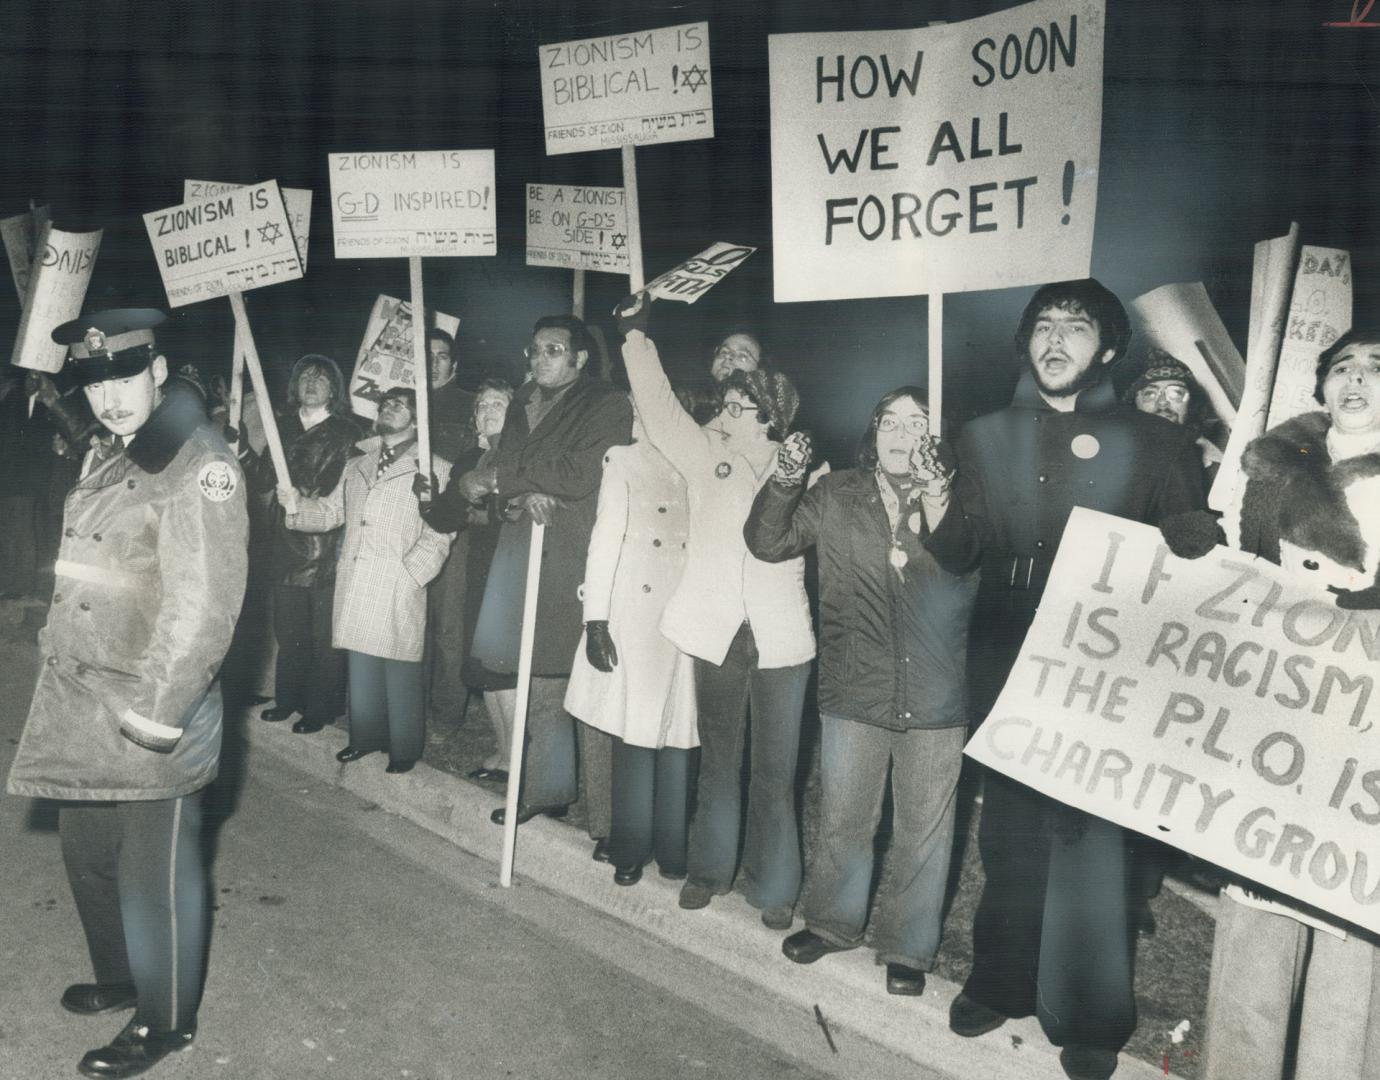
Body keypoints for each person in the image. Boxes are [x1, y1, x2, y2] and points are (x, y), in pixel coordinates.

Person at [923, 279, 1205, 1080]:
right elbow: (958, 552)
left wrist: (1201, 538)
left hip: (1105, 650)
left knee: (1090, 837)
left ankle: (1087, 1013)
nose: (1055, 339)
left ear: (1109, 349)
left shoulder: (1157, 444)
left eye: (1075, 327)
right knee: (1009, 830)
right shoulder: (980, 435)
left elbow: (1189, 549)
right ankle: (1001, 979)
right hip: (1008, 642)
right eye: (1042, 325)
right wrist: (936, 504)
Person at [6, 308, 248, 1079]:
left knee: (154, 876)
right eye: (94, 381)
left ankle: (165, 1019)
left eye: (121, 377)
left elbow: (204, 604)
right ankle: (120, 976)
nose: (108, 396)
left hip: (153, 703)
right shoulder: (116, 453)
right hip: (87, 694)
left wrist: (156, 715)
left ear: (156, 369)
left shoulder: (198, 463)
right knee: (88, 855)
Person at [745, 387, 979, 995]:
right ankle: (831, 922)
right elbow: (769, 542)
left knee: (924, 826)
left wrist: (938, 493)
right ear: (872, 432)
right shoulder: (837, 492)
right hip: (855, 683)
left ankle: (906, 946)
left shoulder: (961, 498)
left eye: (918, 422)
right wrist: (786, 479)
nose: (902, 434)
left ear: (937, 435)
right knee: (846, 815)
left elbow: (968, 557)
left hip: (934, 690)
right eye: (890, 422)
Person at [1200, 328, 1380, 1079]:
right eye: (1343, 367)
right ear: (1321, 383)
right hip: (1280, 705)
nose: (1357, 381)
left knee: (1348, 909)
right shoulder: (1271, 466)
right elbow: (1238, 564)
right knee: (1260, 892)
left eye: (1377, 369)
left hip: (1364, 717)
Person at [621, 326, 814, 930]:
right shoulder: (705, 455)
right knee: (721, 760)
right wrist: (636, 338)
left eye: (740, 407)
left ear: (770, 418)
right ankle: (709, 871)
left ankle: (774, 885)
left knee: (777, 770)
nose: (725, 413)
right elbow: (658, 406)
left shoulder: (809, 468)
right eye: (725, 405)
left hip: (782, 638)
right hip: (718, 632)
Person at [461, 315, 631, 831]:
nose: (539, 359)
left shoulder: (607, 403)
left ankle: (607, 813)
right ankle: (546, 788)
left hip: (575, 554)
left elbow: (581, 474)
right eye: (534, 350)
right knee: (533, 674)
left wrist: (502, 480)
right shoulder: (521, 403)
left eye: (553, 350)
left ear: (580, 359)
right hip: (523, 546)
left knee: (582, 681)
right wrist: (512, 494)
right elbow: (516, 477)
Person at [280, 386, 453, 774]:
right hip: (357, 575)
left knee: (399, 663)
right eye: (386, 403)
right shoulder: (357, 464)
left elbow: (440, 533)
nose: (390, 408)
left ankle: (404, 748)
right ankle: (364, 738)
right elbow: (328, 513)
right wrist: (295, 506)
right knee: (361, 661)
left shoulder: (436, 468)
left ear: (418, 418)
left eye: (401, 404)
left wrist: (413, 575)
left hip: (398, 575)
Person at [563, 397, 698, 885]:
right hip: (636, 616)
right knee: (637, 734)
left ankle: (672, 845)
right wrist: (594, 621)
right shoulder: (623, 459)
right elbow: (604, 542)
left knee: (680, 733)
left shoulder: (697, 459)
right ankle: (630, 845)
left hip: (684, 617)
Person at [241, 354, 359, 733]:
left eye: (321, 378)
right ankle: (288, 698)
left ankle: (321, 707)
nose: (311, 382)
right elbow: (262, 480)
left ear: (334, 389)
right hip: (282, 542)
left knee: (321, 633)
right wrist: (241, 449)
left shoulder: (347, 433)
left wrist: (299, 495)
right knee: (289, 629)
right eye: (305, 375)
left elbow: (342, 491)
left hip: (322, 544)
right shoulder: (282, 427)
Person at [418, 378, 518, 781]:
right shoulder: (467, 459)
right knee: (482, 664)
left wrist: (481, 512)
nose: (489, 410)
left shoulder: (518, 455)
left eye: (499, 403)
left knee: (502, 664)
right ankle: (503, 747)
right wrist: (427, 499)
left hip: (511, 568)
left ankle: (517, 755)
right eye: (482, 405)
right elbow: (443, 517)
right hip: (480, 567)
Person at [423, 327, 481, 730]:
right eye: (424, 355)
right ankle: (411, 701)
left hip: (451, 524)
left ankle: (446, 713)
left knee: (447, 622)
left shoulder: (468, 405)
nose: (432, 362)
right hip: (403, 524)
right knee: (408, 616)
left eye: (440, 355)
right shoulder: (402, 403)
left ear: (454, 363)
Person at [1126, 350, 1224, 482]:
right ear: (1135, 403)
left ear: (1191, 403)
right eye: (1150, 394)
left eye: (1176, 393)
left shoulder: (1217, 463)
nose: (1162, 402)